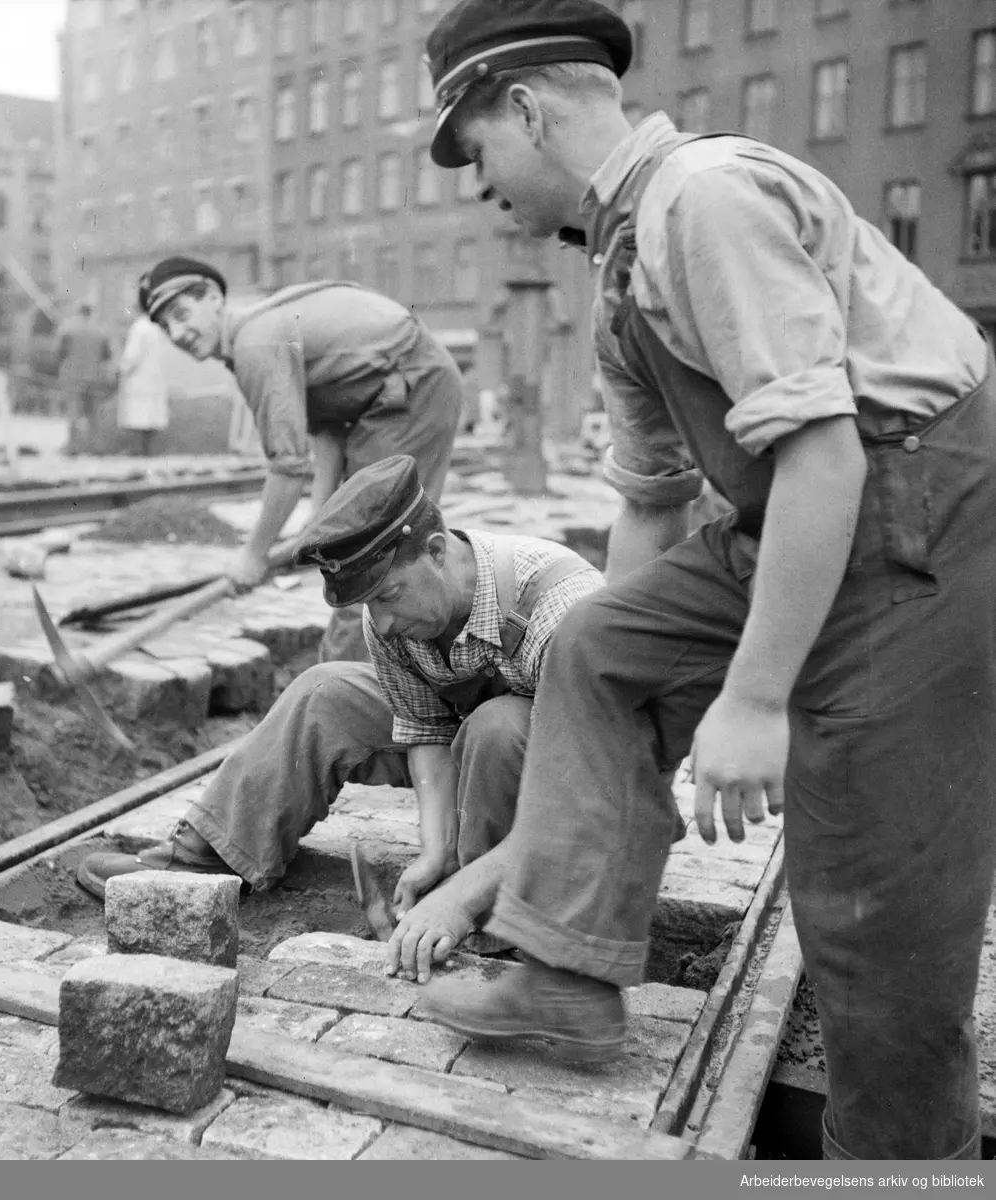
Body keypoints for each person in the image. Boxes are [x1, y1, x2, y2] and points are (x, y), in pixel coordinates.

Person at [411, 0, 996, 1162]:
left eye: (474, 153)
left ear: (525, 107)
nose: (475, 187)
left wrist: (755, 696)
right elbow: (647, 507)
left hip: (924, 508)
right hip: (808, 507)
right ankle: (568, 972)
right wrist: (649, 703)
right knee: (596, 647)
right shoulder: (620, 265)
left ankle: (898, 1173)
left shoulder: (703, 199)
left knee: (871, 911)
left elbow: (824, 448)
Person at [75, 455, 605, 954]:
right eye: (369, 605)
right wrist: (435, 849)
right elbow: (425, 730)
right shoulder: (395, 619)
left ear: (437, 552)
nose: (383, 622)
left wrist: (461, 894)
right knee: (324, 692)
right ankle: (206, 860)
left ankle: (494, 923)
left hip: (564, 768)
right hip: (472, 744)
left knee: (494, 727)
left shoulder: (559, 607)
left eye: (389, 596)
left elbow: (585, 792)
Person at [137, 257, 464, 662]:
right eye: (165, 326)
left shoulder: (255, 342)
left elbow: (288, 467)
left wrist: (254, 556)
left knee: (369, 562)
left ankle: (346, 692)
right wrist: (319, 516)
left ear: (214, 297)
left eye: (182, 314)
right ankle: (387, 676)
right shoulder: (262, 331)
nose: (177, 333)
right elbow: (328, 424)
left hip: (411, 390)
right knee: (373, 552)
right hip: (395, 393)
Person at [116, 312, 170, 457]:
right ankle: (148, 450)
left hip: (139, 379)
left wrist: (122, 368)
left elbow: (132, 355)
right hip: (156, 378)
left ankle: (136, 450)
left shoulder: (139, 328)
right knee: (151, 417)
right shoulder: (160, 327)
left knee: (137, 418)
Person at [54, 301, 113, 430]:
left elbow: (59, 353)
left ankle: (73, 446)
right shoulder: (101, 331)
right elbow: (107, 355)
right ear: (91, 313)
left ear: (78, 312)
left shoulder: (68, 330)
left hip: (73, 377)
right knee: (94, 414)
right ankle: (95, 446)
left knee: (73, 412)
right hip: (95, 378)